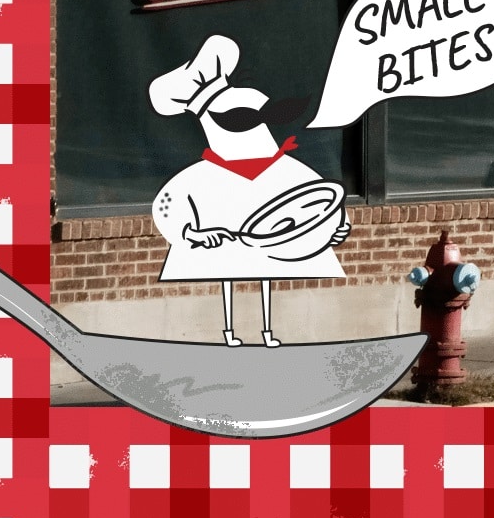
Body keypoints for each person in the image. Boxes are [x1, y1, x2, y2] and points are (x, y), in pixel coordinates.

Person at [147, 35, 350, 346]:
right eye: (240, 121)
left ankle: (266, 331)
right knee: (225, 273)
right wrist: (192, 234)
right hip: (219, 241)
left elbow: (317, 195)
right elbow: (168, 205)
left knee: (266, 273)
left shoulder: (282, 169)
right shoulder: (204, 176)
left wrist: (337, 226)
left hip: (278, 244)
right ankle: (228, 332)